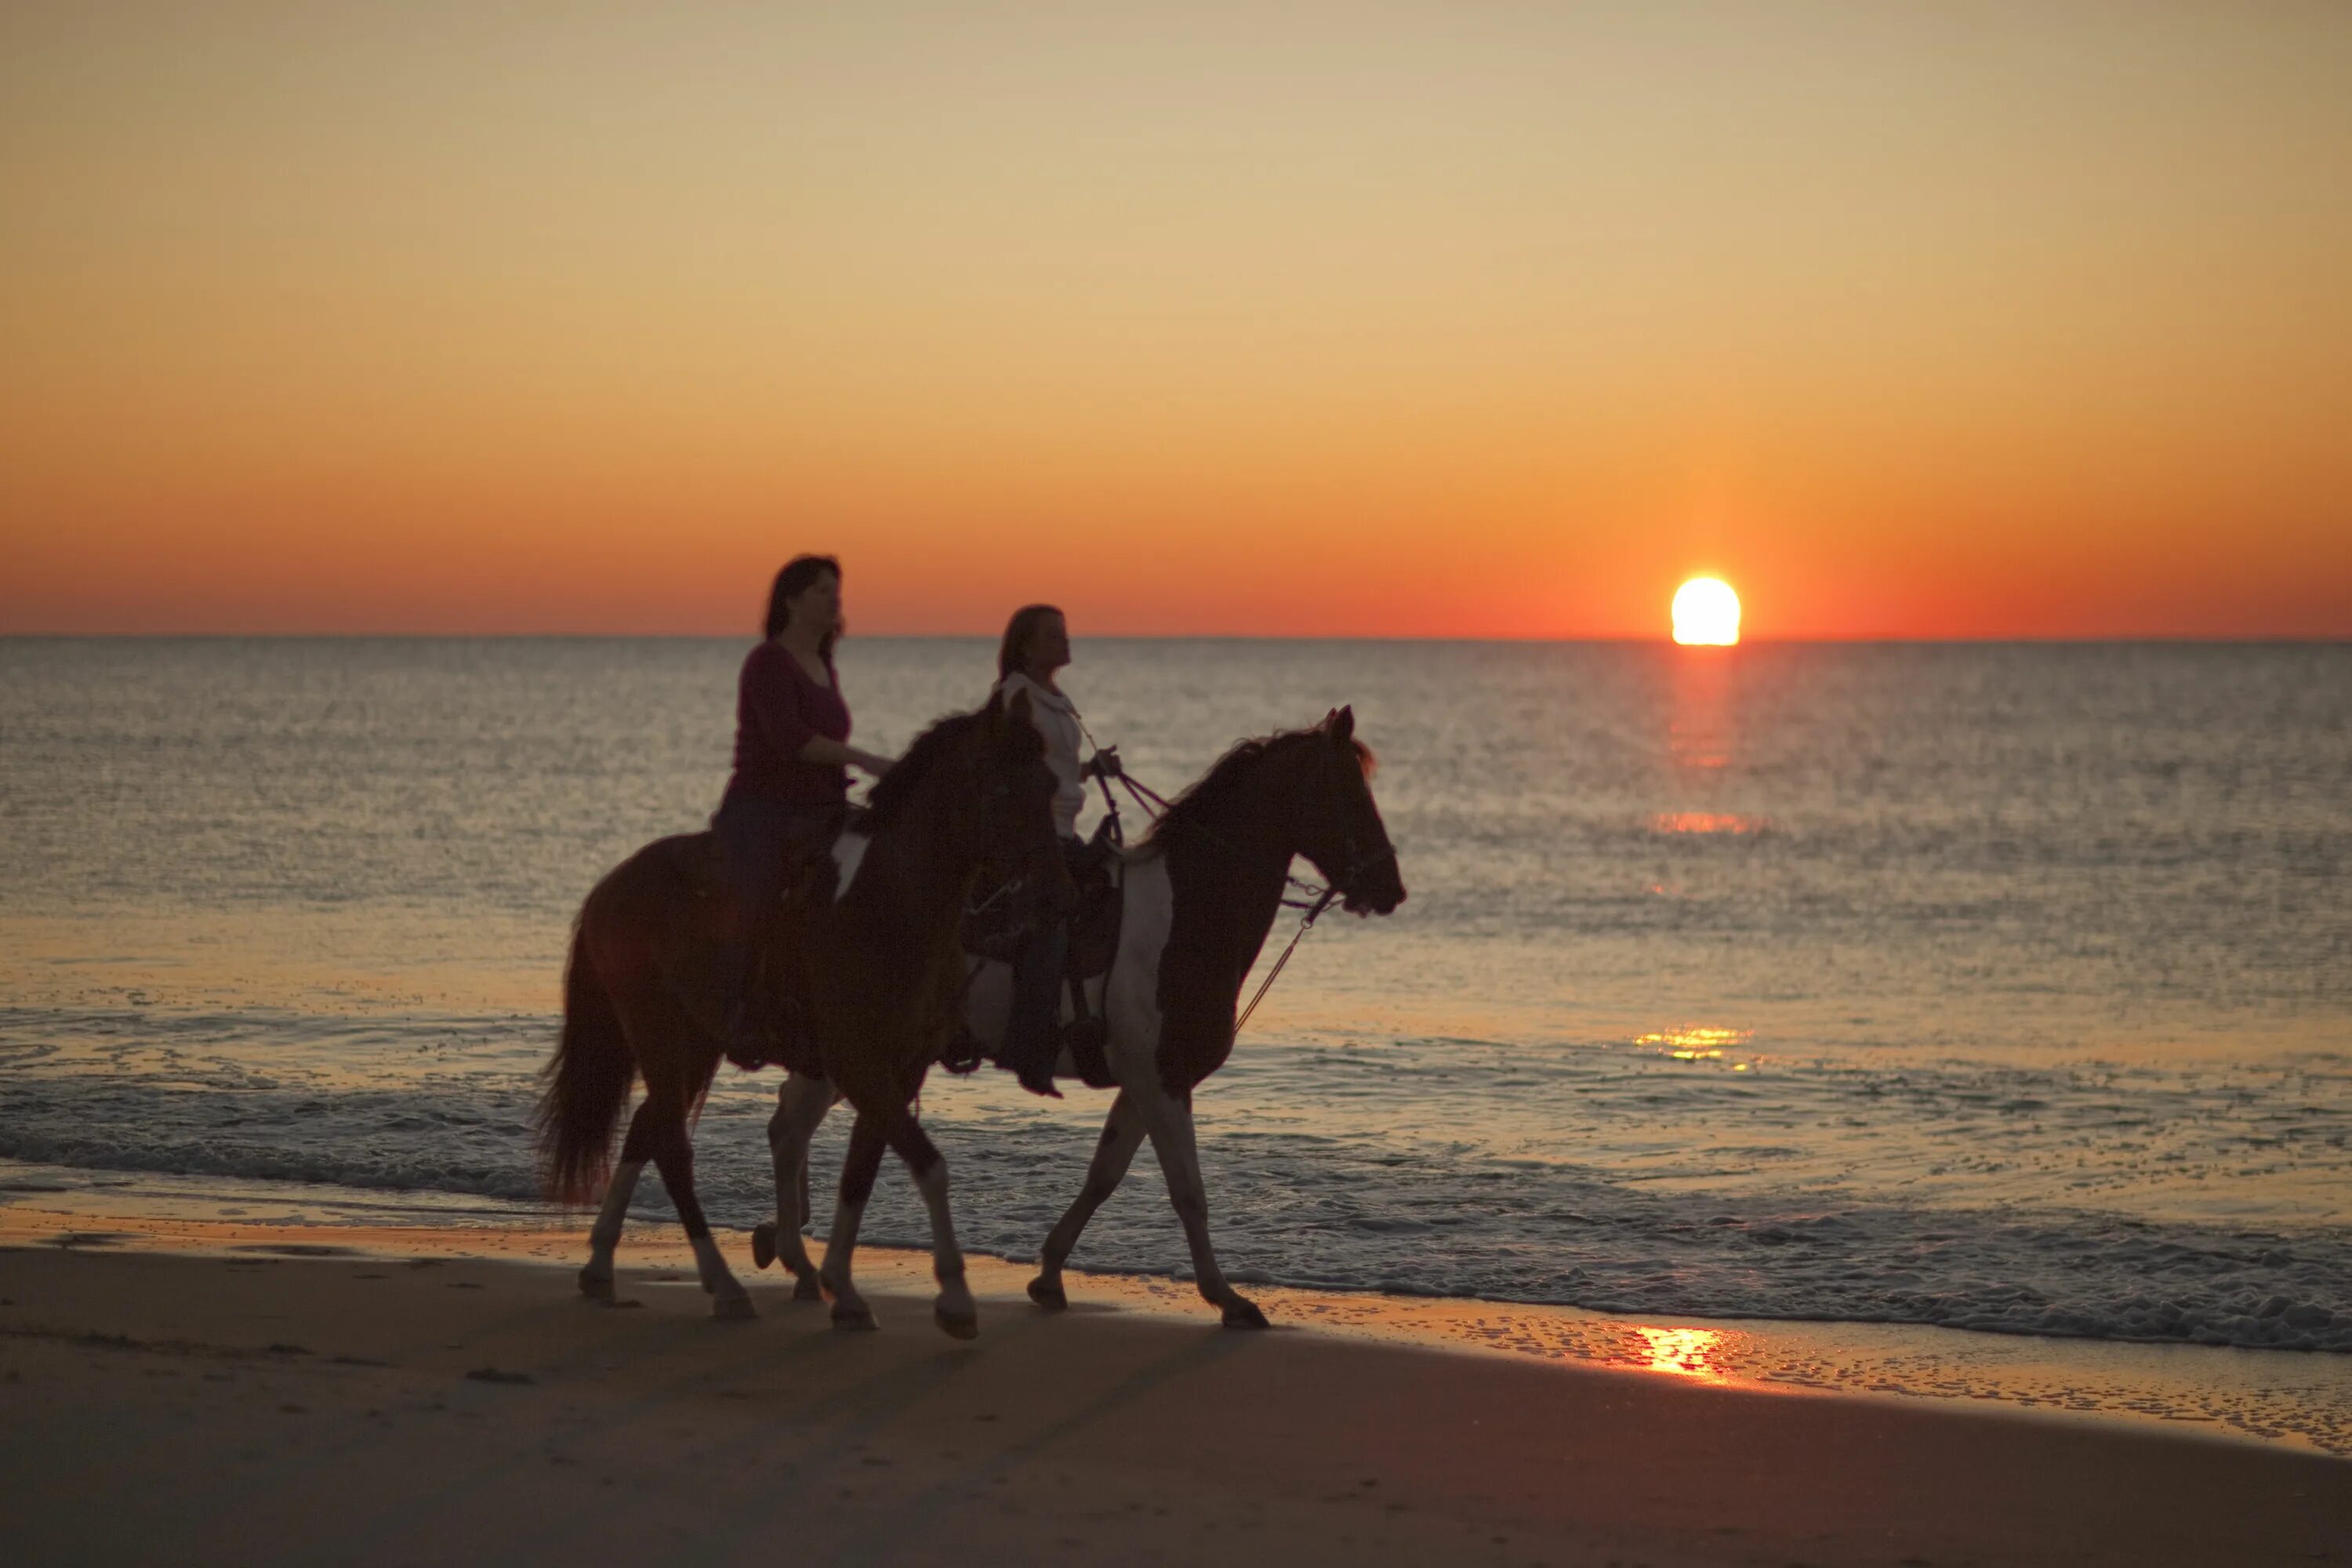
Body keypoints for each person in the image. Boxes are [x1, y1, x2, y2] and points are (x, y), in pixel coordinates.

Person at [713, 555, 893, 1056]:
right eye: (821, 591)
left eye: (836, 591)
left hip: (822, 805)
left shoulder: (824, 663)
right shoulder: (768, 661)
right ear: (790, 600)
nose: (834, 600)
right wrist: (868, 759)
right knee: (758, 897)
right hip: (764, 808)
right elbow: (792, 740)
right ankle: (739, 1012)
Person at [991, 604, 1116, 1095]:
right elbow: (1009, 771)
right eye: (1051, 635)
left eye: (1064, 633)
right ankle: (1030, 1042)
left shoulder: (1056, 699)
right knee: (1052, 920)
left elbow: (1056, 769)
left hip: (1064, 830)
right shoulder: (1016, 697)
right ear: (1025, 646)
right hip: (1032, 838)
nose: (1064, 642)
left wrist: (1092, 769)